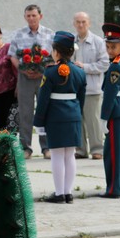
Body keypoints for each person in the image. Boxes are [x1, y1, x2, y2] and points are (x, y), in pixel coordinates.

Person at [32, 31, 86, 203]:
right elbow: (81, 98)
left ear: (56, 51)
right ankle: (68, 193)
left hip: (55, 116)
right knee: (70, 155)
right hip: (73, 115)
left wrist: (39, 121)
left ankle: (59, 193)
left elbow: (43, 99)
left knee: (56, 154)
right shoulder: (79, 72)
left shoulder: (50, 72)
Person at [9, 4, 54, 159]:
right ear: (25, 17)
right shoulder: (18, 34)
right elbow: (13, 56)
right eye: (28, 16)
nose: (31, 18)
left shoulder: (50, 34)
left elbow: (54, 56)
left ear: (40, 16)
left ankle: (47, 147)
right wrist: (22, 69)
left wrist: (43, 69)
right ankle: (25, 148)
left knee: (45, 111)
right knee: (25, 113)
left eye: (34, 15)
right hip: (25, 77)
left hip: (44, 78)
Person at [99, 23, 120, 199]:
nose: (110, 50)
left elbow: (110, 94)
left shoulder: (116, 65)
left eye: (114, 46)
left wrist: (104, 117)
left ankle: (113, 189)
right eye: (108, 46)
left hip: (116, 108)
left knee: (112, 151)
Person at [72, 12, 110, 160]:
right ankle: (80, 150)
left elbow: (104, 64)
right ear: (74, 24)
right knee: (77, 120)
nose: (81, 25)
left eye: (83, 22)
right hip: (75, 89)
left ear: (89, 23)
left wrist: (85, 67)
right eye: (78, 22)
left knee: (93, 120)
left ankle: (97, 149)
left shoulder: (98, 42)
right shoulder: (71, 41)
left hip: (92, 88)